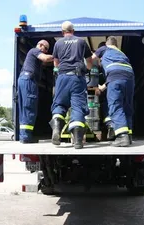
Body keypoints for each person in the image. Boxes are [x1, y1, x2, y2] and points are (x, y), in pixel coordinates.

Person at [50, 21, 93, 149]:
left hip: (62, 77)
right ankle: (78, 141)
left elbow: (56, 64)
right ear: (73, 30)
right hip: (77, 77)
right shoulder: (81, 41)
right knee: (78, 106)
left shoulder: (58, 43)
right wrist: (87, 69)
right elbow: (89, 61)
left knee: (60, 104)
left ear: (62, 32)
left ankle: (57, 126)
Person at [93, 36, 134, 147]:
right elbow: (118, 73)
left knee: (115, 105)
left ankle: (122, 137)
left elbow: (91, 59)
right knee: (127, 106)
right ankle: (129, 135)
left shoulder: (105, 48)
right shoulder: (121, 54)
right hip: (130, 77)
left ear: (107, 43)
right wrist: (104, 86)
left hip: (116, 76)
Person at [18, 40, 54, 143]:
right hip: (29, 81)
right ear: (41, 45)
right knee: (29, 107)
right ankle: (26, 137)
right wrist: (59, 55)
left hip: (25, 80)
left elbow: (46, 62)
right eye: (46, 49)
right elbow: (45, 58)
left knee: (25, 108)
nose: (46, 51)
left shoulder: (34, 57)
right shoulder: (34, 51)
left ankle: (24, 136)